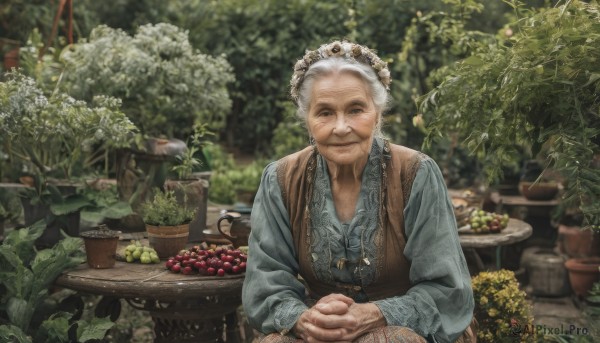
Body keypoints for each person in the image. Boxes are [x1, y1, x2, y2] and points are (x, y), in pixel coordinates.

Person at [242, 40, 475, 343]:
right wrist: (304, 319)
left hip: (407, 327)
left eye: (355, 109)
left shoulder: (416, 174)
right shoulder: (281, 179)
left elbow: (446, 290)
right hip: (322, 331)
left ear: (377, 113)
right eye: (324, 112)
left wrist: (373, 314)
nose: (340, 127)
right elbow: (265, 284)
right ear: (308, 121)